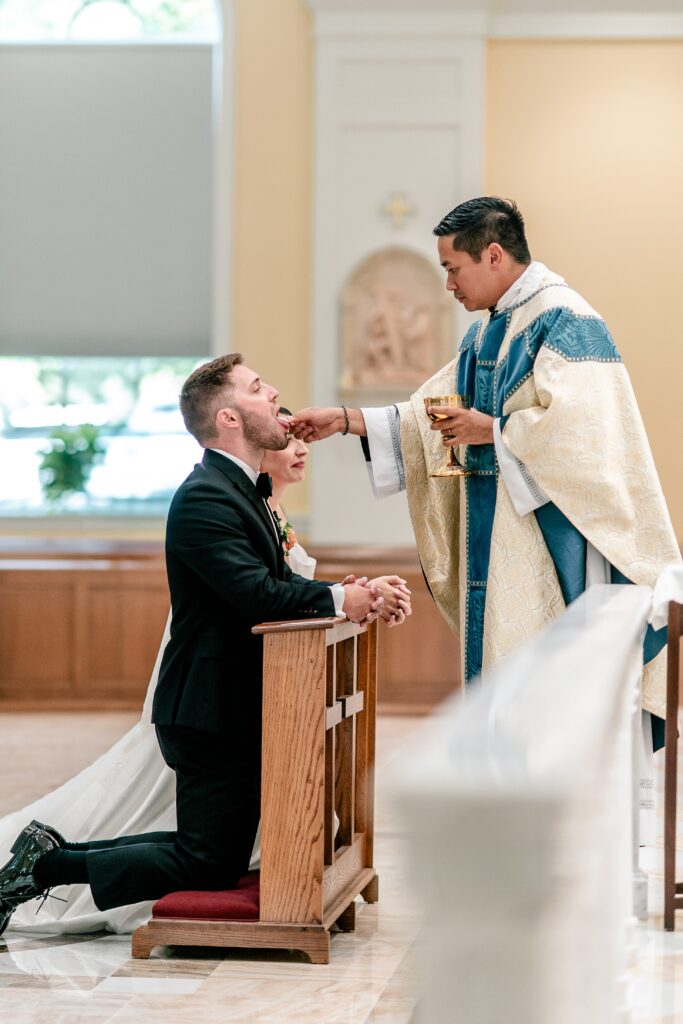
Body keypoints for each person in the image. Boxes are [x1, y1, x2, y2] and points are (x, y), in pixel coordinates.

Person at [0, 354, 410, 935]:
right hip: (207, 709)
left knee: (210, 850)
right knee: (207, 860)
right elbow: (256, 593)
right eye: (257, 388)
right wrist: (343, 603)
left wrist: (346, 593)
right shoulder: (203, 498)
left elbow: (283, 583)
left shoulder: (243, 490)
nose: (274, 395)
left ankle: (48, 857)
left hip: (233, 706)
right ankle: (44, 866)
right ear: (229, 419)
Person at [292, 196, 681, 743]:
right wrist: (346, 419)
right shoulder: (487, 332)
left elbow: (588, 438)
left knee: (550, 704)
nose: (448, 286)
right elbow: (428, 412)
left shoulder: (566, 321)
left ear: (493, 255)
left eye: (453, 268)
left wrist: (492, 430)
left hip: (551, 551)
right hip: (500, 549)